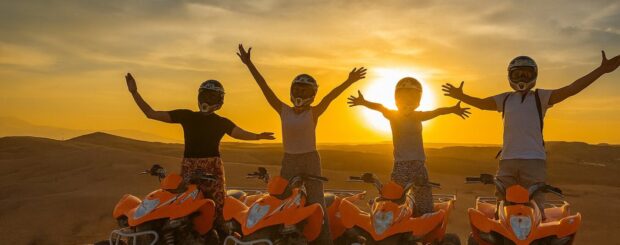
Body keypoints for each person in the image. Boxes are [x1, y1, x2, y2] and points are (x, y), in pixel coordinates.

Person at [441, 51, 620, 219]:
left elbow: (571, 88)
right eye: (517, 74)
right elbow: (481, 103)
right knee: (502, 207)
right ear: (510, 76)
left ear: (534, 75)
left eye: (526, 74)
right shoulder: (505, 99)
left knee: (535, 208)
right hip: (508, 160)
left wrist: (601, 71)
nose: (521, 78)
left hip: (533, 161)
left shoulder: (540, 97)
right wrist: (461, 96)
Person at [236, 44, 366, 244]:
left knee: (317, 202)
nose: (300, 94)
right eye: (297, 89)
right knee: (281, 200)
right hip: (289, 159)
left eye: (305, 91)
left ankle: (324, 241)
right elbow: (265, 88)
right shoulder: (283, 110)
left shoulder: (313, 112)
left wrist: (349, 81)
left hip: (310, 159)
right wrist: (249, 64)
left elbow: (331, 96)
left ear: (312, 94)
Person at [124, 73, 275, 229]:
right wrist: (134, 93)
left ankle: (217, 237)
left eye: (212, 96)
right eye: (204, 95)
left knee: (216, 211)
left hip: (212, 170)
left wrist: (257, 136)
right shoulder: (186, 115)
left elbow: (239, 133)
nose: (207, 100)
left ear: (219, 101)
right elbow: (151, 114)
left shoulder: (221, 122)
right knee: (180, 205)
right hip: (189, 168)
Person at [348, 77, 470, 216]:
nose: (408, 100)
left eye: (412, 96)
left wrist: (453, 109)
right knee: (393, 202)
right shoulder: (393, 115)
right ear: (397, 97)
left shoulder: (417, 116)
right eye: (404, 96)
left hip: (418, 164)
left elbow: (437, 111)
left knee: (424, 203)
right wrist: (363, 102)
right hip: (401, 165)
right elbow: (380, 107)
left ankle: (423, 231)